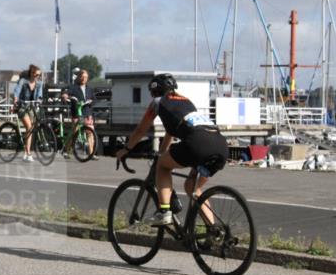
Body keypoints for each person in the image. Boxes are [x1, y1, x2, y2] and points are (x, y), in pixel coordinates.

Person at [116, 73, 228, 226]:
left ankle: (164, 212)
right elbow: (171, 132)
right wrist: (162, 152)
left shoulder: (157, 102)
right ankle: (214, 230)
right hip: (220, 144)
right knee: (192, 188)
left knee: (162, 166)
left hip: (198, 144)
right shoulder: (186, 102)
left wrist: (126, 149)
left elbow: (141, 131)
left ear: (155, 91)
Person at [62, 69, 97, 159]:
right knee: (75, 132)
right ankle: (66, 150)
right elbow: (66, 93)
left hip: (87, 113)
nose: (84, 79)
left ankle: (91, 153)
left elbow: (94, 99)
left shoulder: (89, 89)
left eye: (85, 77)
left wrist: (91, 101)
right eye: (82, 77)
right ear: (79, 77)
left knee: (90, 132)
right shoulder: (73, 87)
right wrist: (65, 96)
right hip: (77, 113)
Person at [11, 64, 44, 161]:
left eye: (39, 75)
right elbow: (17, 91)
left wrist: (39, 100)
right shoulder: (23, 81)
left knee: (30, 130)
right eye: (36, 75)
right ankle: (28, 153)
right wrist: (16, 99)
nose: (37, 77)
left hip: (31, 107)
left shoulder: (39, 84)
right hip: (22, 106)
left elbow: (39, 95)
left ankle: (26, 152)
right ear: (31, 73)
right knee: (29, 127)